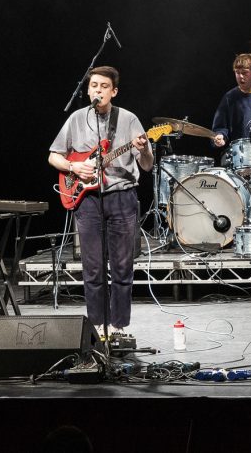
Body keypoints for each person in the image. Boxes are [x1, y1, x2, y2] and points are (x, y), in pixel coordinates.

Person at [48, 66, 154, 337]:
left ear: (114, 91)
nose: (98, 90)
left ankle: (118, 326)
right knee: (92, 267)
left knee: (122, 267)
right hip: (88, 200)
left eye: (104, 86)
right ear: (88, 90)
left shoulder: (129, 119)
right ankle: (97, 326)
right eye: (94, 85)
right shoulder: (76, 118)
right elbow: (54, 155)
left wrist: (144, 150)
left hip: (122, 196)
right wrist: (74, 167)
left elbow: (147, 165)